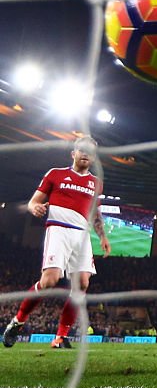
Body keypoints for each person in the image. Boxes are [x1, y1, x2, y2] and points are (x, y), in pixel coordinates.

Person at [3, 136, 111, 350]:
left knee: (82, 285)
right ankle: (18, 322)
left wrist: (102, 236)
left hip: (81, 235)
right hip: (58, 230)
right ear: (73, 153)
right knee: (50, 281)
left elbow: (95, 213)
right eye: (82, 150)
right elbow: (34, 201)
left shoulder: (95, 184)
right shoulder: (56, 174)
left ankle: (60, 337)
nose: (85, 154)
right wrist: (34, 208)